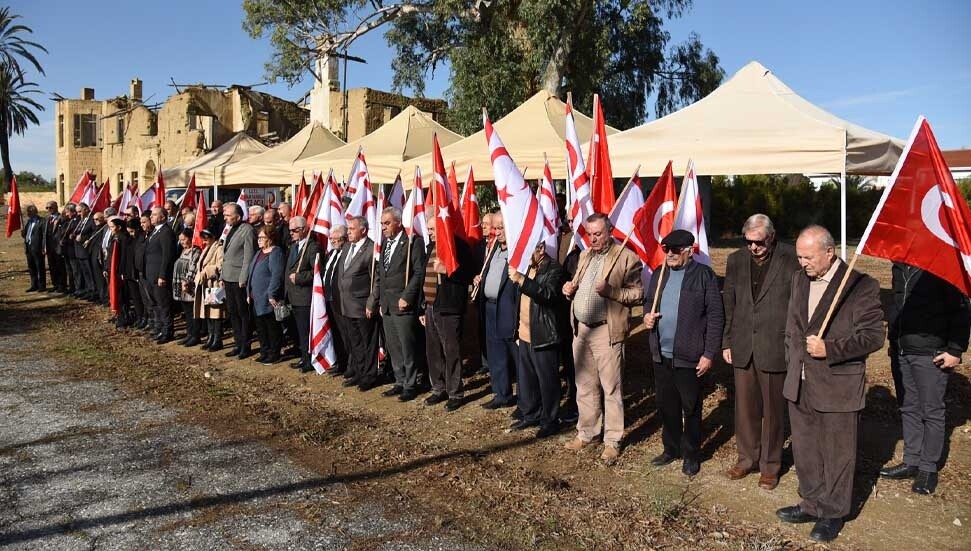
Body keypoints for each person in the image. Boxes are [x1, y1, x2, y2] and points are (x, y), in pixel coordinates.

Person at [775, 225, 884, 543]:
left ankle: (833, 513)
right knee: (806, 449)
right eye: (799, 256)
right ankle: (810, 503)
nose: (802, 263)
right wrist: (792, 359)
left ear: (829, 252)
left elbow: (874, 336)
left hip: (837, 385)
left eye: (808, 257)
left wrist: (831, 349)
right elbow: (792, 327)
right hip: (801, 382)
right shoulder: (799, 279)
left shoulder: (860, 285)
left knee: (837, 453)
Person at [721, 214, 799, 490]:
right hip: (742, 346)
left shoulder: (790, 258)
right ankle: (746, 459)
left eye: (759, 242)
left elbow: (798, 304)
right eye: (749, 242)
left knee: (774, 412)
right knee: (744, 408)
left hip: (775, 346)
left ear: (772, 236)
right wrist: (727, 341)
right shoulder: (735, 261)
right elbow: (729, 303)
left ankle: (770, 465)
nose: (753, 247)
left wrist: (794, 343)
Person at [879, 263, 969, 494]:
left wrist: (956, 350)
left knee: (931, 410)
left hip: (930, 351)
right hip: (901, 347)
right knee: (908, 407)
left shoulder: (942, 265)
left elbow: (961, 308)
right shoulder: (899, 265)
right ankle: (912, 460)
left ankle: (928, 467)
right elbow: (898, 301)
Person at [561, 213, 643, 463]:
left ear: (609, 231)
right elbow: (577, 287)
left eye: (598, 234)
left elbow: (638, 294)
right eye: (590, 234)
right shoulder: (585, 255)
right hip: (581, 330)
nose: (594, 239)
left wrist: (612, 291)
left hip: (606, 331)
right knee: (584, 386)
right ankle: (587, 433)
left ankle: (612, 440)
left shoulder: (626, 257)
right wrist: (568, 290)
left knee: (611, 388)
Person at [644, 229, 724, 476]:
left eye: (676, 250)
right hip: (661, 354)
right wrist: (647, 317)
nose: (669, 254)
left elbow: (715, 316)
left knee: (690, 407)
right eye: (666, 249)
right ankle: (671, 448)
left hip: (689, 356)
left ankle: (691, 453)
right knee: (666, 405)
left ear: (690, 251)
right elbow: (649, 303)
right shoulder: (659, 274)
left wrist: (709, 353)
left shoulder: (703, 276)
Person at [508, 240, 565, 438]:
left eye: (527, 249)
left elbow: (547, 294)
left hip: (543, 335)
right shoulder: (527, 266)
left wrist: (521, 280)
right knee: (527, 379)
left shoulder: (554, 268)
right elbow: (521, 302)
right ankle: (530, 413)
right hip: (524, 333)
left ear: (540, 249)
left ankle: (550, 420)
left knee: (547, 380)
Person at [371, 207, 426, 401]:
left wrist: (407, 296)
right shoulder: (386, 244)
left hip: (403, 304)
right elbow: (381, 274)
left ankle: (411, 384)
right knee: (393, 347)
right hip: (387, 305)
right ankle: (400, 380)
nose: (383, 228)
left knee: (407, 346)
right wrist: (378, 301)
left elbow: (419, 273)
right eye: (382, 224)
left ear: (398, 222)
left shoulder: (413, 243)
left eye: (387, 223)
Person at [422, 215, 474, 411]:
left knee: (451, 351)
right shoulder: (430, 247)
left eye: (433, 229)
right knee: (433, 350)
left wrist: (448, 271)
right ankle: (438, 388)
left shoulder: (458, 246)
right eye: (428, 229)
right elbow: (424, 277)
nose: (430, 233)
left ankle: (455, 392)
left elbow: (469, 274)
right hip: (430, 307)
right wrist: (423, 304)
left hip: (449, 307)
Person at [476, 212, 519, 409]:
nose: (498, 232)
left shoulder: (516, 252)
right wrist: (480, 279)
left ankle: (526, 399)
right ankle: (502, 393)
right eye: (497, 228)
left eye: (502, 228)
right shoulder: (494, 248)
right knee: (495, 354)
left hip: (508, 308)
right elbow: (489, 272)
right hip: (490, 308)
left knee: (516, 356)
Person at [337, 216, 380, 391]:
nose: (348, 232)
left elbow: (376, 279)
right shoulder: (347, 247)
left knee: (367, 341)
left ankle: (369, 375)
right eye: (348, 229)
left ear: (363, 230)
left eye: (352, 229)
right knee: (354, 341)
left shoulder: (371, 249)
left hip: (363, 305)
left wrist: (371, 302)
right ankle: (359, 371)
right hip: (346, 304)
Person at [220, 203, 257, 359]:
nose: (225, 217)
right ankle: (238, 343)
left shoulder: (247, 230)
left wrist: (243, 278)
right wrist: (222, 276)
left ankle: (245, 345)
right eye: (225, 214)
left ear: (238, 216)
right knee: (233, 312)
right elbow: (227, 255)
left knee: (243, 313)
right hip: (228, 277)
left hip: (238, 279)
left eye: (228, 215)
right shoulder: (230, 230)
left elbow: (248, 257)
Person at [284, 216, 320, 372]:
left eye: (295, 230)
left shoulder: (312, 247)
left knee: (305, 331)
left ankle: (309, 360)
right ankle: (303, 357)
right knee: (298, 330)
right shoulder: (294, 246)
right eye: (290, 230)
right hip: (293, 296)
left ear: (305, 229)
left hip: (305, 296)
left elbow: (317, 271)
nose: (291, 233)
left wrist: (299, 277)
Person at [248, 224, 285, 365]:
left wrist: (272, 293)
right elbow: (252, 273)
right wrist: (248, 292)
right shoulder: (259, 253)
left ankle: (274, 353)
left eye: (262, 237)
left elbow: (276, 275)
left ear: (270, 238)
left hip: (268, 298)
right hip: (255, 297)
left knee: (271, 327)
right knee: (260, 328)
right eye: (258, 237)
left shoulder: (276, 252)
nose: (259, 240)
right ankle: (264, 351)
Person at [144, 207, 177, 343]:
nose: (151, 217)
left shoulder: (166, 232)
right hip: (150, 274)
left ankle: (167, 331)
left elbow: (167, 256)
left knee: (164, 304)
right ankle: (159, 328)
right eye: (151, 215)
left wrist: (163, 275)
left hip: (159, 276)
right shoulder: (154, 232)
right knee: (155, 304)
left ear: (163, 217)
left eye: (155, 215)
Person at [193, 229, 226, 351]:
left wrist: (206, 271)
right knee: (207, 313)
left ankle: (217, 339)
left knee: (216, 313)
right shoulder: (207, 248)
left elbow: (220, 266)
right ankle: (210, 337)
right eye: (203, 237)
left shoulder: (219, 248)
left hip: (214, 284)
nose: (204, 240)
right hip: (205, 284)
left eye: (207, 237)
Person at [322, 226, 349, 375]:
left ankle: (349, 365)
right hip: (328, 298)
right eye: (330, 238)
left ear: (344, 239)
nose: (332, 241)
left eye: (335, 239)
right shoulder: (331, 253)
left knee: (345, 334)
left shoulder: (346, 253)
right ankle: (339, 361)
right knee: (335, 333)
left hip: (341, 300)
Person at [172, 228, 201, 346]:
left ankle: (195, 335)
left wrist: (187, 282)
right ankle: (189, 334)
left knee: (192, 312)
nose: (182, 242)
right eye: (180, 240)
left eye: (184, 239)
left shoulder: (196, 251)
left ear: (190, 238)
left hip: (189, 286)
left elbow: (193, 267)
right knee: (187, 312)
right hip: (180, 284)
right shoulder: (184, 250)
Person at [122, 218, 146, 329]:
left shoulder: (141, 238)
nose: (131, 234)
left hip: (137, 272)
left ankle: (145, 317)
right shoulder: (128, 239)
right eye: (129, 232)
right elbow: (125, 256)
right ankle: (139, 316)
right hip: (129, 272)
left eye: (132, 231)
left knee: (142, 297)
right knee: (135, 297)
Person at [73, 202, 96, 299]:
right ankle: (88, 290)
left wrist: (82, 238)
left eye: (79, 211)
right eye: (77, 212)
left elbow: (94, 234)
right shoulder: (81, 220)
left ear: (86, 209)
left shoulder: (91, 220)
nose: (78, 214)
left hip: (86, 251)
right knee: (84, 273)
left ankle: (93, 292)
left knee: (90, 273)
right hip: (79, 251)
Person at [21, 204, 46, 292]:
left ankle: (42, 285)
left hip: (38, 248)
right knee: (31, 267)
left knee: (40, 267)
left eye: (29, 212)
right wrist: (23, 232)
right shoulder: (29, 222)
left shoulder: (42, 221)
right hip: (29, 247)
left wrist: (43, 247)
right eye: (27, 212)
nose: (28, 214)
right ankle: (34, 285)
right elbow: (26, 235)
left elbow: (44, 236)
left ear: (34, 212)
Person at [44, 201, 66, 293]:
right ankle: (55, 284)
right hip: (49, 247)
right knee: (52, 266)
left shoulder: (61, 218)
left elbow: (64, 232)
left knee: (60, 266)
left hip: (58, 247)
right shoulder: (48, 219)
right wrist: (44, 246)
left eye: (50, 207)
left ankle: (62, 285)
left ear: (56, 207)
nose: (49, 209)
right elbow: (45, 234)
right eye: (47, 208)